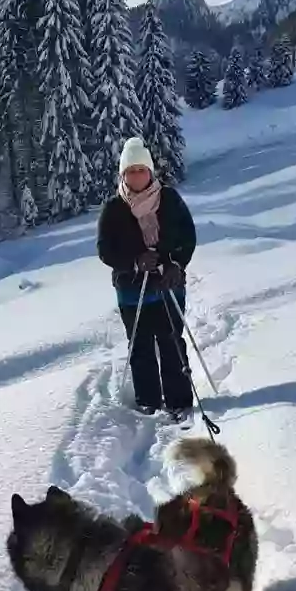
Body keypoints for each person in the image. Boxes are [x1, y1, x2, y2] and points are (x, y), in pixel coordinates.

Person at [97, 136, 197, 423]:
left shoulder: (169, 199)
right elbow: (105, 250)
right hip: (132, 289)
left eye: (141, 169)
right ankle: (148, 401)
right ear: (123, 175)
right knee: (140, 345)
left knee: (170, 341)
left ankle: (179, 401)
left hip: (168, 284)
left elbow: (187, 235)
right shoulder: (114, 208)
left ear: (150, 172)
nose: (136, 176)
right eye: (131, 171)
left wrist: (176, 263)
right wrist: (134, 261)